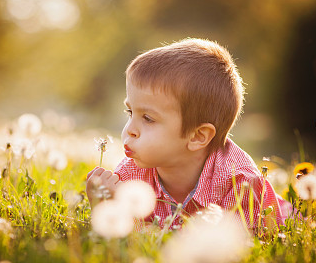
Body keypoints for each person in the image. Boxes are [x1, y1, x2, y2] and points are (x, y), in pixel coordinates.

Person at [86, 38, 287, 232]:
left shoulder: (240, 184)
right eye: (130, 112)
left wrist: (146, 232)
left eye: (147, 118)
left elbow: (237, 248)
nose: (129, 129)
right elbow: (123, 240)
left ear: (197, 136)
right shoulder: (130, 175)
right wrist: (104, 205)